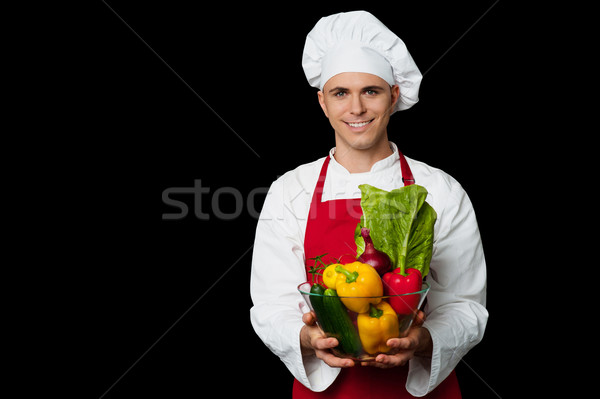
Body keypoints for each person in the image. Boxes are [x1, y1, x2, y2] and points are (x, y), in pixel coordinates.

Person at [250, 10, 487, 398]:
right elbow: (270, 303)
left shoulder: (440, 189)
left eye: (371, 91)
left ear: (394, 96)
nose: (356, 109)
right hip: (326, 390)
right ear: (322, 102)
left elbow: (465, 304)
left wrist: (423, 341)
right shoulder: (289, 189)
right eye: (340, 93)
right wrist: (308, 338)